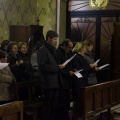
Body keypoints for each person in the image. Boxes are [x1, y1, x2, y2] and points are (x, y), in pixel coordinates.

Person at [37, 30, 65, 120]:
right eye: (54, 39)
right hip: (47, 82)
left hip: (55, 82)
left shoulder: (53, 49)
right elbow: (43, 66)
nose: (56, 41)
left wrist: (59, 66)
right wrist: (57, 67)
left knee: (54, 107)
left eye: (56, 39)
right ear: (48, 39)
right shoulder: (42, 50)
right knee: (47, 107)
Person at [72, 42, 95, 120]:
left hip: (84, 80)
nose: (85, 50)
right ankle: (75, 117)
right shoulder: (76, 57)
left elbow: (84, 68)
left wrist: (91, 67)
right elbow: (79, 69)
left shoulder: (82, 57)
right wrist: (89, 66)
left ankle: (81, 116)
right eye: (84, 48)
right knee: (78, 100)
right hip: (78, 81)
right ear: (80, 49)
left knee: (82, 100)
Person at [55, 39, 75, 120]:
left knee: (67, 102)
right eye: (69, 48)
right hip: (61, 81)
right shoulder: (58, 53)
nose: (70, 50)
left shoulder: (68, 53)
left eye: (71, 48)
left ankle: (66, 117)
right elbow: (59, 67)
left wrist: (72, 69)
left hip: (67, 81)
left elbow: (69, 64)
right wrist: (68, 72)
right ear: (64, 46)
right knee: (62, 102)